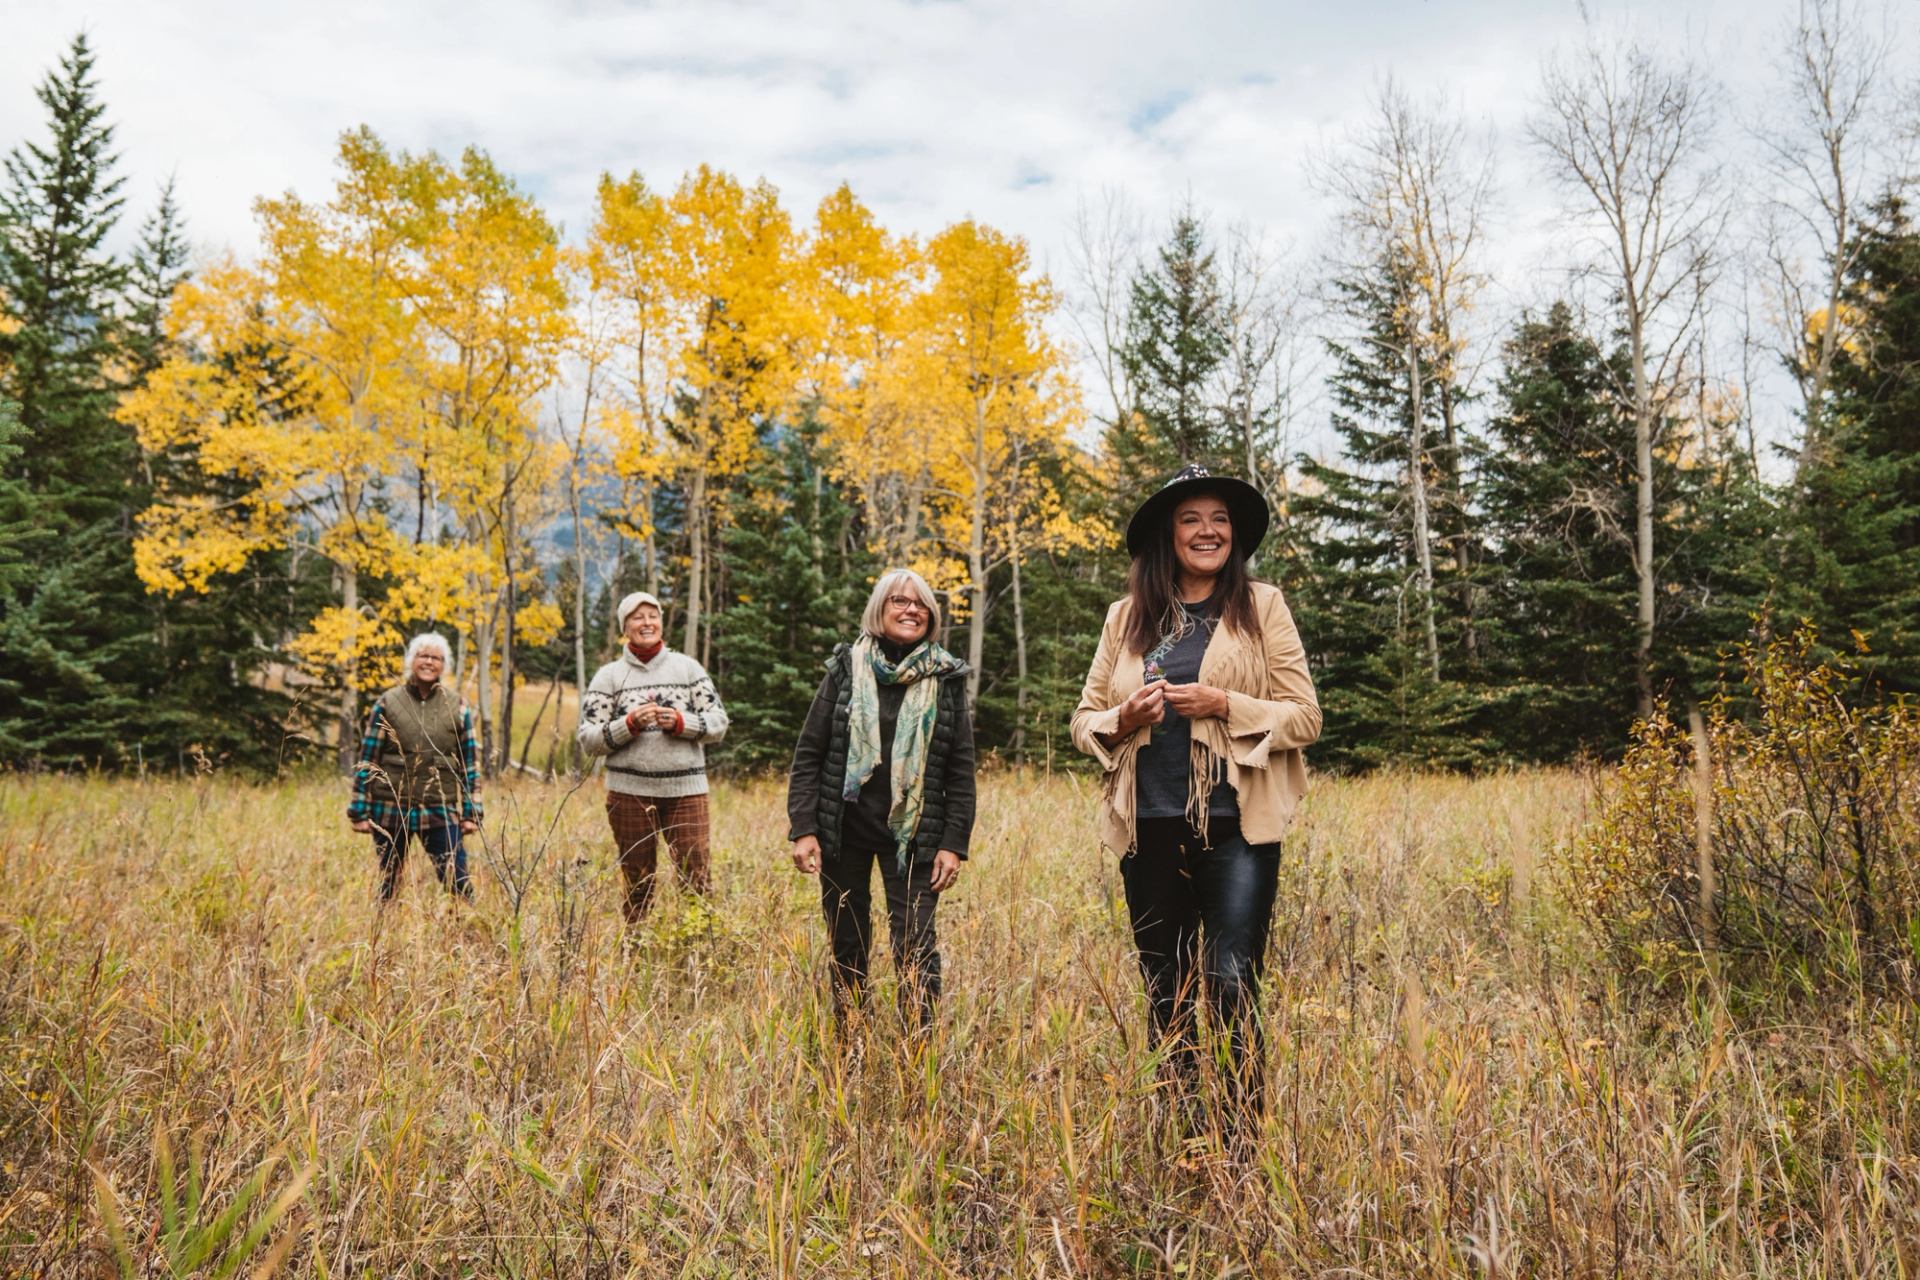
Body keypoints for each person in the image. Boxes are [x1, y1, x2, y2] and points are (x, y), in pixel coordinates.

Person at [1070, 464, 1320, 1133]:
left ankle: (1240, 1143)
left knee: (1232, 982)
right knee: (1166, 992)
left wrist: (1224, 704)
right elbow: (1083, 718)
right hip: (1147, 827)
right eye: (1191, 519)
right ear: (1166, 535)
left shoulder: (1261, 607)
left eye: (1220, 519)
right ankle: (1181, 1138)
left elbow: (1305, 716)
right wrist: (1122, 719)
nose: (1208, 531)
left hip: (1236, 824)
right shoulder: (1125, 618)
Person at [786, 569, 975, 1033]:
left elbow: (960, 769)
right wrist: (804, 827)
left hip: (915, 838)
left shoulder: (945, 678)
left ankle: (917, 1055)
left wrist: (954, 842)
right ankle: (850, 1044)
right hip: (843, 832)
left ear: (930, 616)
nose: (911, 609)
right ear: (879, 609)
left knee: (915, 945)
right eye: (899, 601)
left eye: (921, 604)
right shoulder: (847, 669)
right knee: (848, 942)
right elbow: (809, 753)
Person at [577, 591, 730, 924]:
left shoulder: (688, 670)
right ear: (625, 627)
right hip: (629, 792)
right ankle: (637, 949)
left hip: (686, 791)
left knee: (696, 876)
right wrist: (628, 725)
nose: (646, 623)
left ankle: (699, 950)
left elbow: (718, 723)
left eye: (652, 616)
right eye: (637, 617)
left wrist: (680, 722)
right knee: (638, 879)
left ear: (661, 622)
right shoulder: (610, 677)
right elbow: (588, 738)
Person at [348, 631, 482, 900]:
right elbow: (368, 758)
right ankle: (386, 934)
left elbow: (469, 764)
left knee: (457, 879)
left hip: (439, 808)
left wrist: (472, 811)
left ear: (444, 665)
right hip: (390, 808)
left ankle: (468, 933)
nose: (429, 662)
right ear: (411, 660)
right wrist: (359, 809)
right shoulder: (387, 702)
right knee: (390, 883)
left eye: (436, 657)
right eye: (423, 655)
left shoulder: (458, 706)